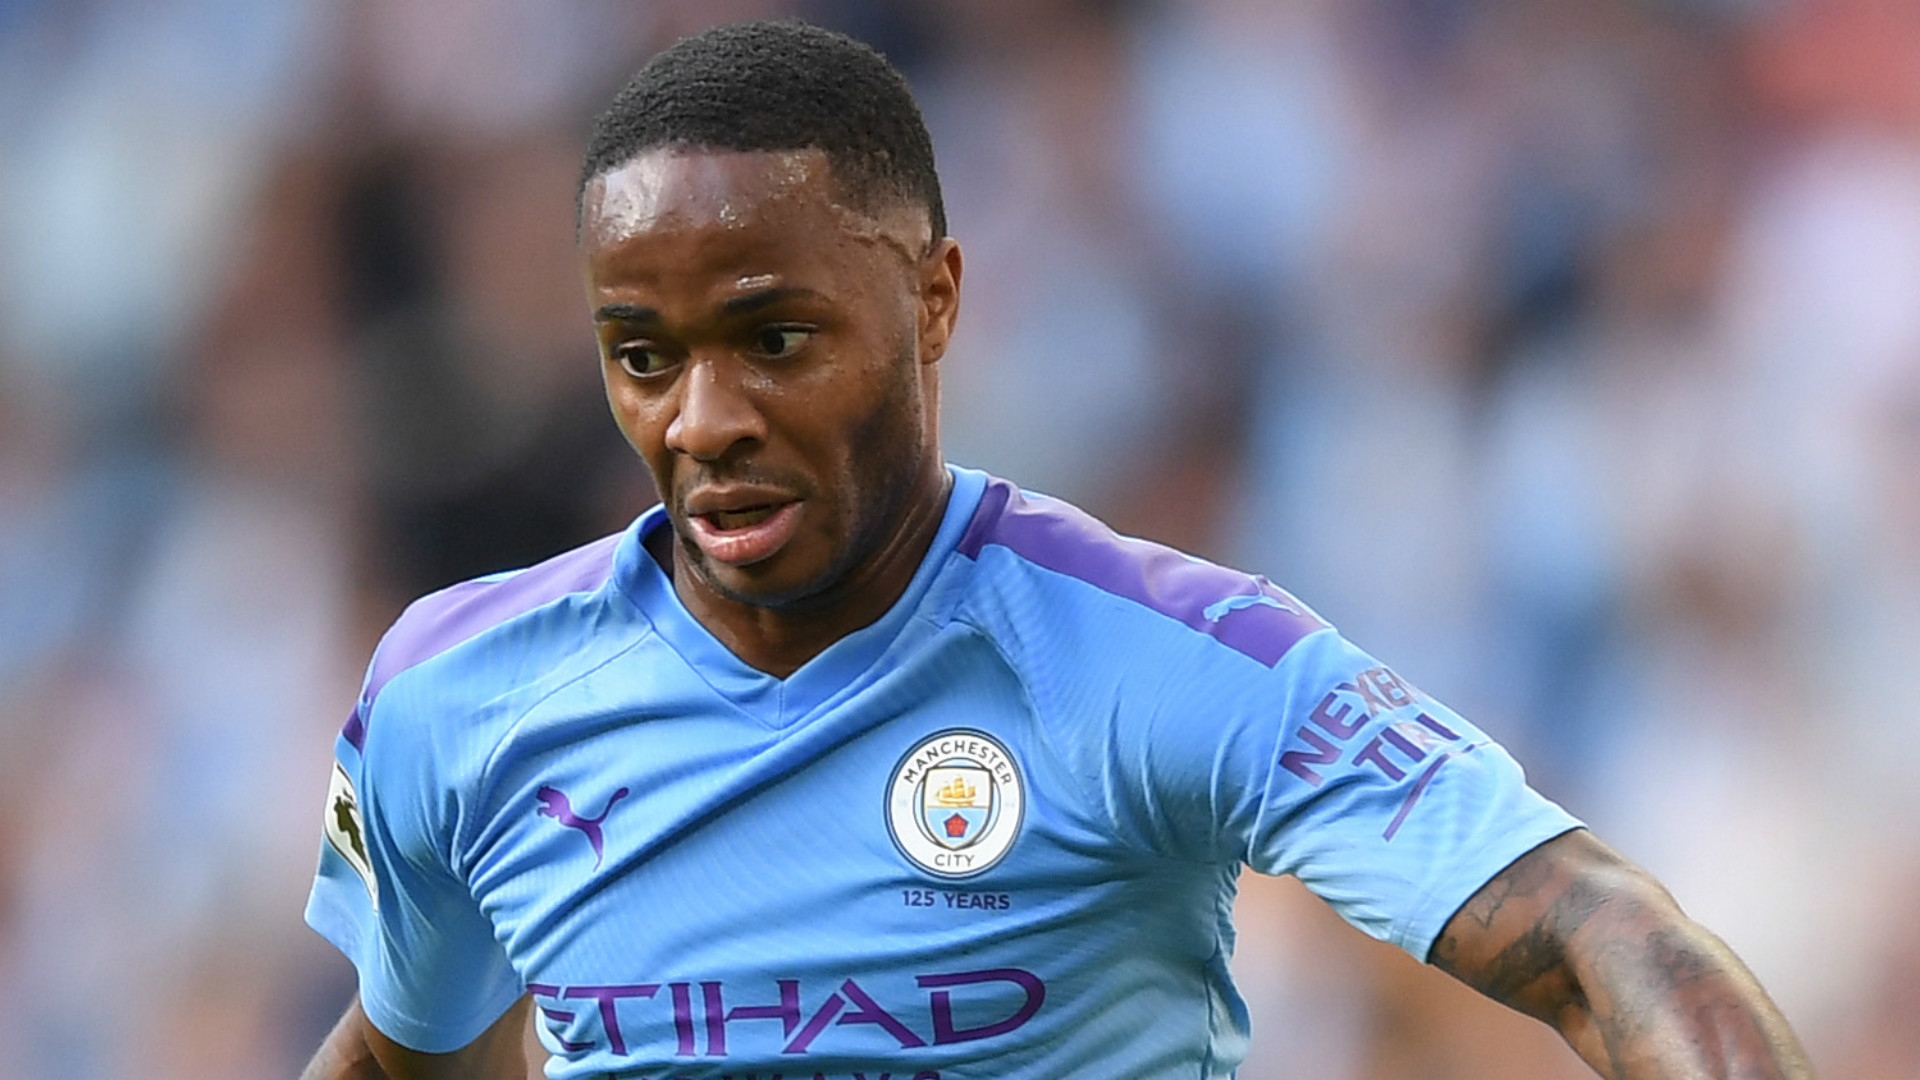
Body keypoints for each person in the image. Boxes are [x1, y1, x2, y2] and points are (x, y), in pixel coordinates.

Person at [301, 19, 1817, 1080]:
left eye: (776, 340)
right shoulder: (458, 695)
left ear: (935, 300)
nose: (704, 420)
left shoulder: (1160, 656)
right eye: (643, 355)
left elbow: (1601, 942)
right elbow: (398, 1055)